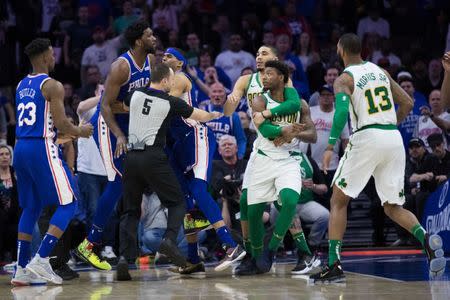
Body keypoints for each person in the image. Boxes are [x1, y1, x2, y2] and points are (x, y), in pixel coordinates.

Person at [310, 33, 446, 283]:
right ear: (360, 49)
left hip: (366, 136)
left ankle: (334, 265)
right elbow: (406, 102)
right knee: (392, 206)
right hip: (392, 138)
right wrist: (389, 125)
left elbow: (340, 113)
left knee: (338, 201)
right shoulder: (380, 72)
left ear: (341, 50)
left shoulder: (344, 78)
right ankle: (426, 238)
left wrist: (330, 146)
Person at [117, 63, 222, 280]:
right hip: (154, 157)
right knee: (177, 203)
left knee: (130, 211)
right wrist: (215, 115)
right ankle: (169, 240)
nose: (173, 83)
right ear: (165, 80)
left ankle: (124, 260)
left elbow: (124, 105)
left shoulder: (135, 94)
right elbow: (199, 115)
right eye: (171, 80)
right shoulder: (169, 101)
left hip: (131, 157)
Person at [75, 20, 156, 272]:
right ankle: (90, 244)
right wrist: (119, 135)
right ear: (138, 41)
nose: (154, 38)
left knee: (132, 180)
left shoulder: (150, 63)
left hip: (131, 125)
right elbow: (106, 105)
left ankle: (103, 243)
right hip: (109, 126)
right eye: (149, 35)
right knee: (117, 182)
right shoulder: (121, 66)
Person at [11, 38, 93, 286]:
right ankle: (42, 258)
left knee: (31, 208)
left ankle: (21, 268)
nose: (55, 58)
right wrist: (81, 131)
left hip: (20, 147)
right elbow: (61, 123)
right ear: (46, 57)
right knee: (69, 203)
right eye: (52, 54)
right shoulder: (52, 85)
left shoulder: (20, 85)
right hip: (41, 147)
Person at [162, 47, 246, 274]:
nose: (164, 58)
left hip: (196, 136)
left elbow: (162, 105)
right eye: (163, 56)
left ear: (180, 63)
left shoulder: (178, 78)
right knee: (186, 199)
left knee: (198, 190)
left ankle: (231, 245)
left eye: (169, 56)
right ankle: (192, 258)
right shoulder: (162, 82)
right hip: (179, 144)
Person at [224, 45, 304, 273]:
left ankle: (301, 251)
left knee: (287, 203)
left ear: (276, 62)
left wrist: (285, 128)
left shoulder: (283, 83)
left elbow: (294, 106)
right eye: (257, 54)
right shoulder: (247, 81)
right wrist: (228, 101)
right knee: (248, 203)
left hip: (286, 150)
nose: (259, 57)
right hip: (261, 144)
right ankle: (253, 253)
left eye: (265, 54)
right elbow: (231, 106)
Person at [240, 60, 316, 275]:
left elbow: (312, 135)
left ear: (282, 77)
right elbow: (266, 133)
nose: (263, 77)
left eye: (269, 73)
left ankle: (271, 249)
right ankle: (254, 257)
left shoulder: (299, 103)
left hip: (289, 158)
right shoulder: (259, 101)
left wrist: (295, 132)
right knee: (253, 211)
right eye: (262, 74)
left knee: (290, 201)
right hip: (264, 158)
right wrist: (285, 129)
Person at [270, 151, 328, 274]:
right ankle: (278, 247)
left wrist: (313, 186)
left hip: (304, 203)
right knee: (274, 209)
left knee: (324, 215)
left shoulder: (308, 159)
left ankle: (311, 246)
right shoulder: (276, 157)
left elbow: (324, 188)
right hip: (284, 202)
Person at [205, 82, 247, 160]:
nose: (217, 94)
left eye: (220, 91)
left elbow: (241, 140)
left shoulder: (233, 115)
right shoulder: (202, 112)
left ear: (225, 94)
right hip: (206, 161)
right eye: (214, 91)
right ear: (209, 94)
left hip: (226, 162)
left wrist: (239, 157)